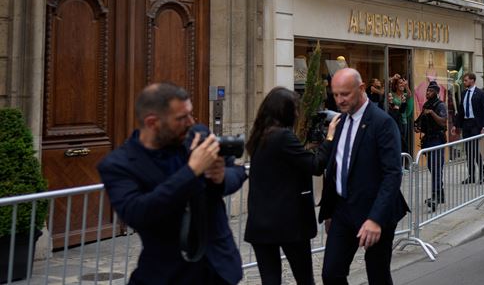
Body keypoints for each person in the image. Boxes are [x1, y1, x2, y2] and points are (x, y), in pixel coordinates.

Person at [97, 83, 247, 285]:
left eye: (190, 114)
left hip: (219, 269)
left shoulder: (197, 136)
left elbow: (236, 172)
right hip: (168, 274)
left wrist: (220, 178)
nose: (191, 122)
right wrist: (191, 171)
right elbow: (138, 213)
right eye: (181, 118)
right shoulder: (119, 165)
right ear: (152, 122)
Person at [319, 68, 409, 285]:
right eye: (335, 94)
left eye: (345, 94)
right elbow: (336, 166)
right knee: (331, 273)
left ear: (360, 89)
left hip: (375, 211)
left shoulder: (382, 123)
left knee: (377, 275)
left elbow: (392, 174)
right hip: (343, 211)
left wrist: (376, 219)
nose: (339, 100)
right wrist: (330, 210)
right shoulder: (340, 122)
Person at [244, 87, 336, 285]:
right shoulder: (283, 137)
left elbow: (288, 163)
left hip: (261, 221)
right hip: (288, 223)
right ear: (283, 111)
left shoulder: (260, 135)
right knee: (304, 278)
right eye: (294, 109)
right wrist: (330, 137)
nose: (296, 114)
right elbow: (316, 166)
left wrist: (307, 149)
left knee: (270, 279)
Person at [415, 81, 448, 211]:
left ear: (436, 92)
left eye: (430, 91)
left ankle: (435, 197)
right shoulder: (426, 105)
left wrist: (432, 113)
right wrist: (418, 127)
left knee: (436, 167)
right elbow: (421, 122)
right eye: (427, 91)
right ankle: (440, 193)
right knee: (432, 167)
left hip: (437, 140)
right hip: (428, 140)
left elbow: (443, 121)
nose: (427, 93)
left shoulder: (440, 105)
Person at [454, 72, 484, 184]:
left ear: (472, 80)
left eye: (466, 80)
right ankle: (471, 175)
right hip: (466, 124)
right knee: (468, 151)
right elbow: (461, 111)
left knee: (473, 149)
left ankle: (482, 171)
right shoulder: (464, 93)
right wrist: (457, 125)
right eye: (464, 80)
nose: (464, 82)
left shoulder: (480, 93)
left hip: (476, 124)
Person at [386, 74, 409, 154]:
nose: (402, 84)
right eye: (400, 83)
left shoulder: (404, 95)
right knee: (396, 139)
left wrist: (406, 86)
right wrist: (392, 78)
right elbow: (390, 105)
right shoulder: (391, 94)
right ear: (396, 85)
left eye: (403, 83)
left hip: (404, 120)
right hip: (395, 120)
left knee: (403, 140)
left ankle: (403, 160)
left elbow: (410, 95)